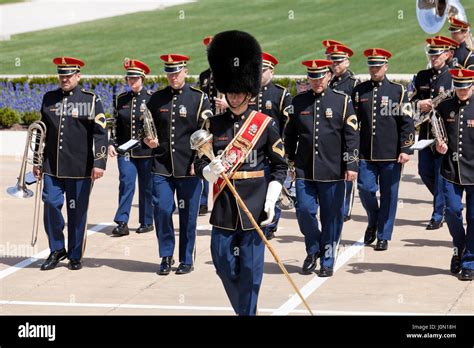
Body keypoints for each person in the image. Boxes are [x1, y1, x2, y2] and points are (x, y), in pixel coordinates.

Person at [194, 30, 287, 315]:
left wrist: (271, 200)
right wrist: (210, 169)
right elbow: (199, 165)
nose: (234, 96)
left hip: (255, 202)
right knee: (222, 261)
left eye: (239, 92)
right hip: (224, 203)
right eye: (230, 91)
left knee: (250, 269)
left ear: (249, 92)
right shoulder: (213, 125)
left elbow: (280, 166)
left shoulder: (264, 124)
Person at [285, 59, 359, 277]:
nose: (317, 82)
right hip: (304, 170)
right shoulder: (299, 102)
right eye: (312, 77)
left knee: (331, 218)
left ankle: (327, 258)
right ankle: (313, 249)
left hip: (333, 170)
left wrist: (351, 164)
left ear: (328, 76)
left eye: (320, 77)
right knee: (305, 211)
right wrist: (289, 161)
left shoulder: (342, 101)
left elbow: (352, 136)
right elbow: (290, 135)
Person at [36, 57, 108, 271]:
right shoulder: (49, 98)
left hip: (80, 168)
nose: (65, 79)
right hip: (52, 165)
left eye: (69, 75)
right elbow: (42, 130)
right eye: (62, 75)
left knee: (76, 212)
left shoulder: (90, 100)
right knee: (50, 203)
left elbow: (101, 133)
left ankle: (75, 254)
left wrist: (100, 162)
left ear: (78, 76)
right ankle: (57, 248)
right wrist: (37, 161)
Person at [144, 54, 212, 275]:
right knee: (162, 209)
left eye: (177, 72)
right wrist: (147, 139)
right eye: (169, 73)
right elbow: (144, 127)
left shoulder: (199, 99)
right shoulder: (156, 99)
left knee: (188, 215)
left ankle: (186, 259)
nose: (173, 77)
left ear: (186, 71)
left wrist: (199, 162)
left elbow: (207, 135)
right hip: (162, 166)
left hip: (189, 167)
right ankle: (166, 255)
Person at [352, 48, 415, 251]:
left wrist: (406, 148)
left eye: (378, 66)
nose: (375, 69)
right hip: (365, 153)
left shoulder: (398, 91)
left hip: (391, 154)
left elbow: (407, 122)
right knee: (365, 189)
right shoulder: (359, 91)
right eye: (372, 65)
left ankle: (383, 234)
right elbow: (353, 124)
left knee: (389, 194)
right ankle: (373, 219)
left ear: (386, 66)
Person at [248, 51, 292, 240]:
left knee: (273, 186)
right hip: (250, 151)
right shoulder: (247, 92)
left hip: (272, 150)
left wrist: (284, 149)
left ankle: (271, 223)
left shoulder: (280, 94)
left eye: (263, 70)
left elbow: (288, 124)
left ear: (271, 72)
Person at [435, 68, 474, 281]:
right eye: (458, 87)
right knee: (451, 211)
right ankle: (459, 246)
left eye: (465, 87)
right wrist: (437, 147)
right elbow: (436, 133)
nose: (462, 91)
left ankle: (469, 261)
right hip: (451, 170)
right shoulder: (445, 106)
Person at [108, 59, 154, 236]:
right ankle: (122, 221)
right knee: (126, 183)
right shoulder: (121, 99)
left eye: (135, 78)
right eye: (129, 79)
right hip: (125, 151)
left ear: (142, 78)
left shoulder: (151, 98)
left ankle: (146, 220)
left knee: (146, 186)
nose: (132, 82)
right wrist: (112, 143)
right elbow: (116, 124)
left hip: (145, 150)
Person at [410, 38, 453, 230]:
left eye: (438, 54)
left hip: (445, 134)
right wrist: (419, 105)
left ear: (447, 54)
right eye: (432, 54)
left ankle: (438, 214)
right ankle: (443, 201)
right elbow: (409, 104)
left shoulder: (453, 77)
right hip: (426, 133)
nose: (434, 58)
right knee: (424, 171)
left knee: (440, 173)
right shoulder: (421, 76)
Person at [327, 43, 360, 222]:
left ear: (347, 62)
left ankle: (345, 209)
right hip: (331, 134)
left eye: (339, 62)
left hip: (346, 133)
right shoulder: (330, 82)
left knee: (348, 170)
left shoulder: (354, 84)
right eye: (333, 62)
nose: (335, 65)